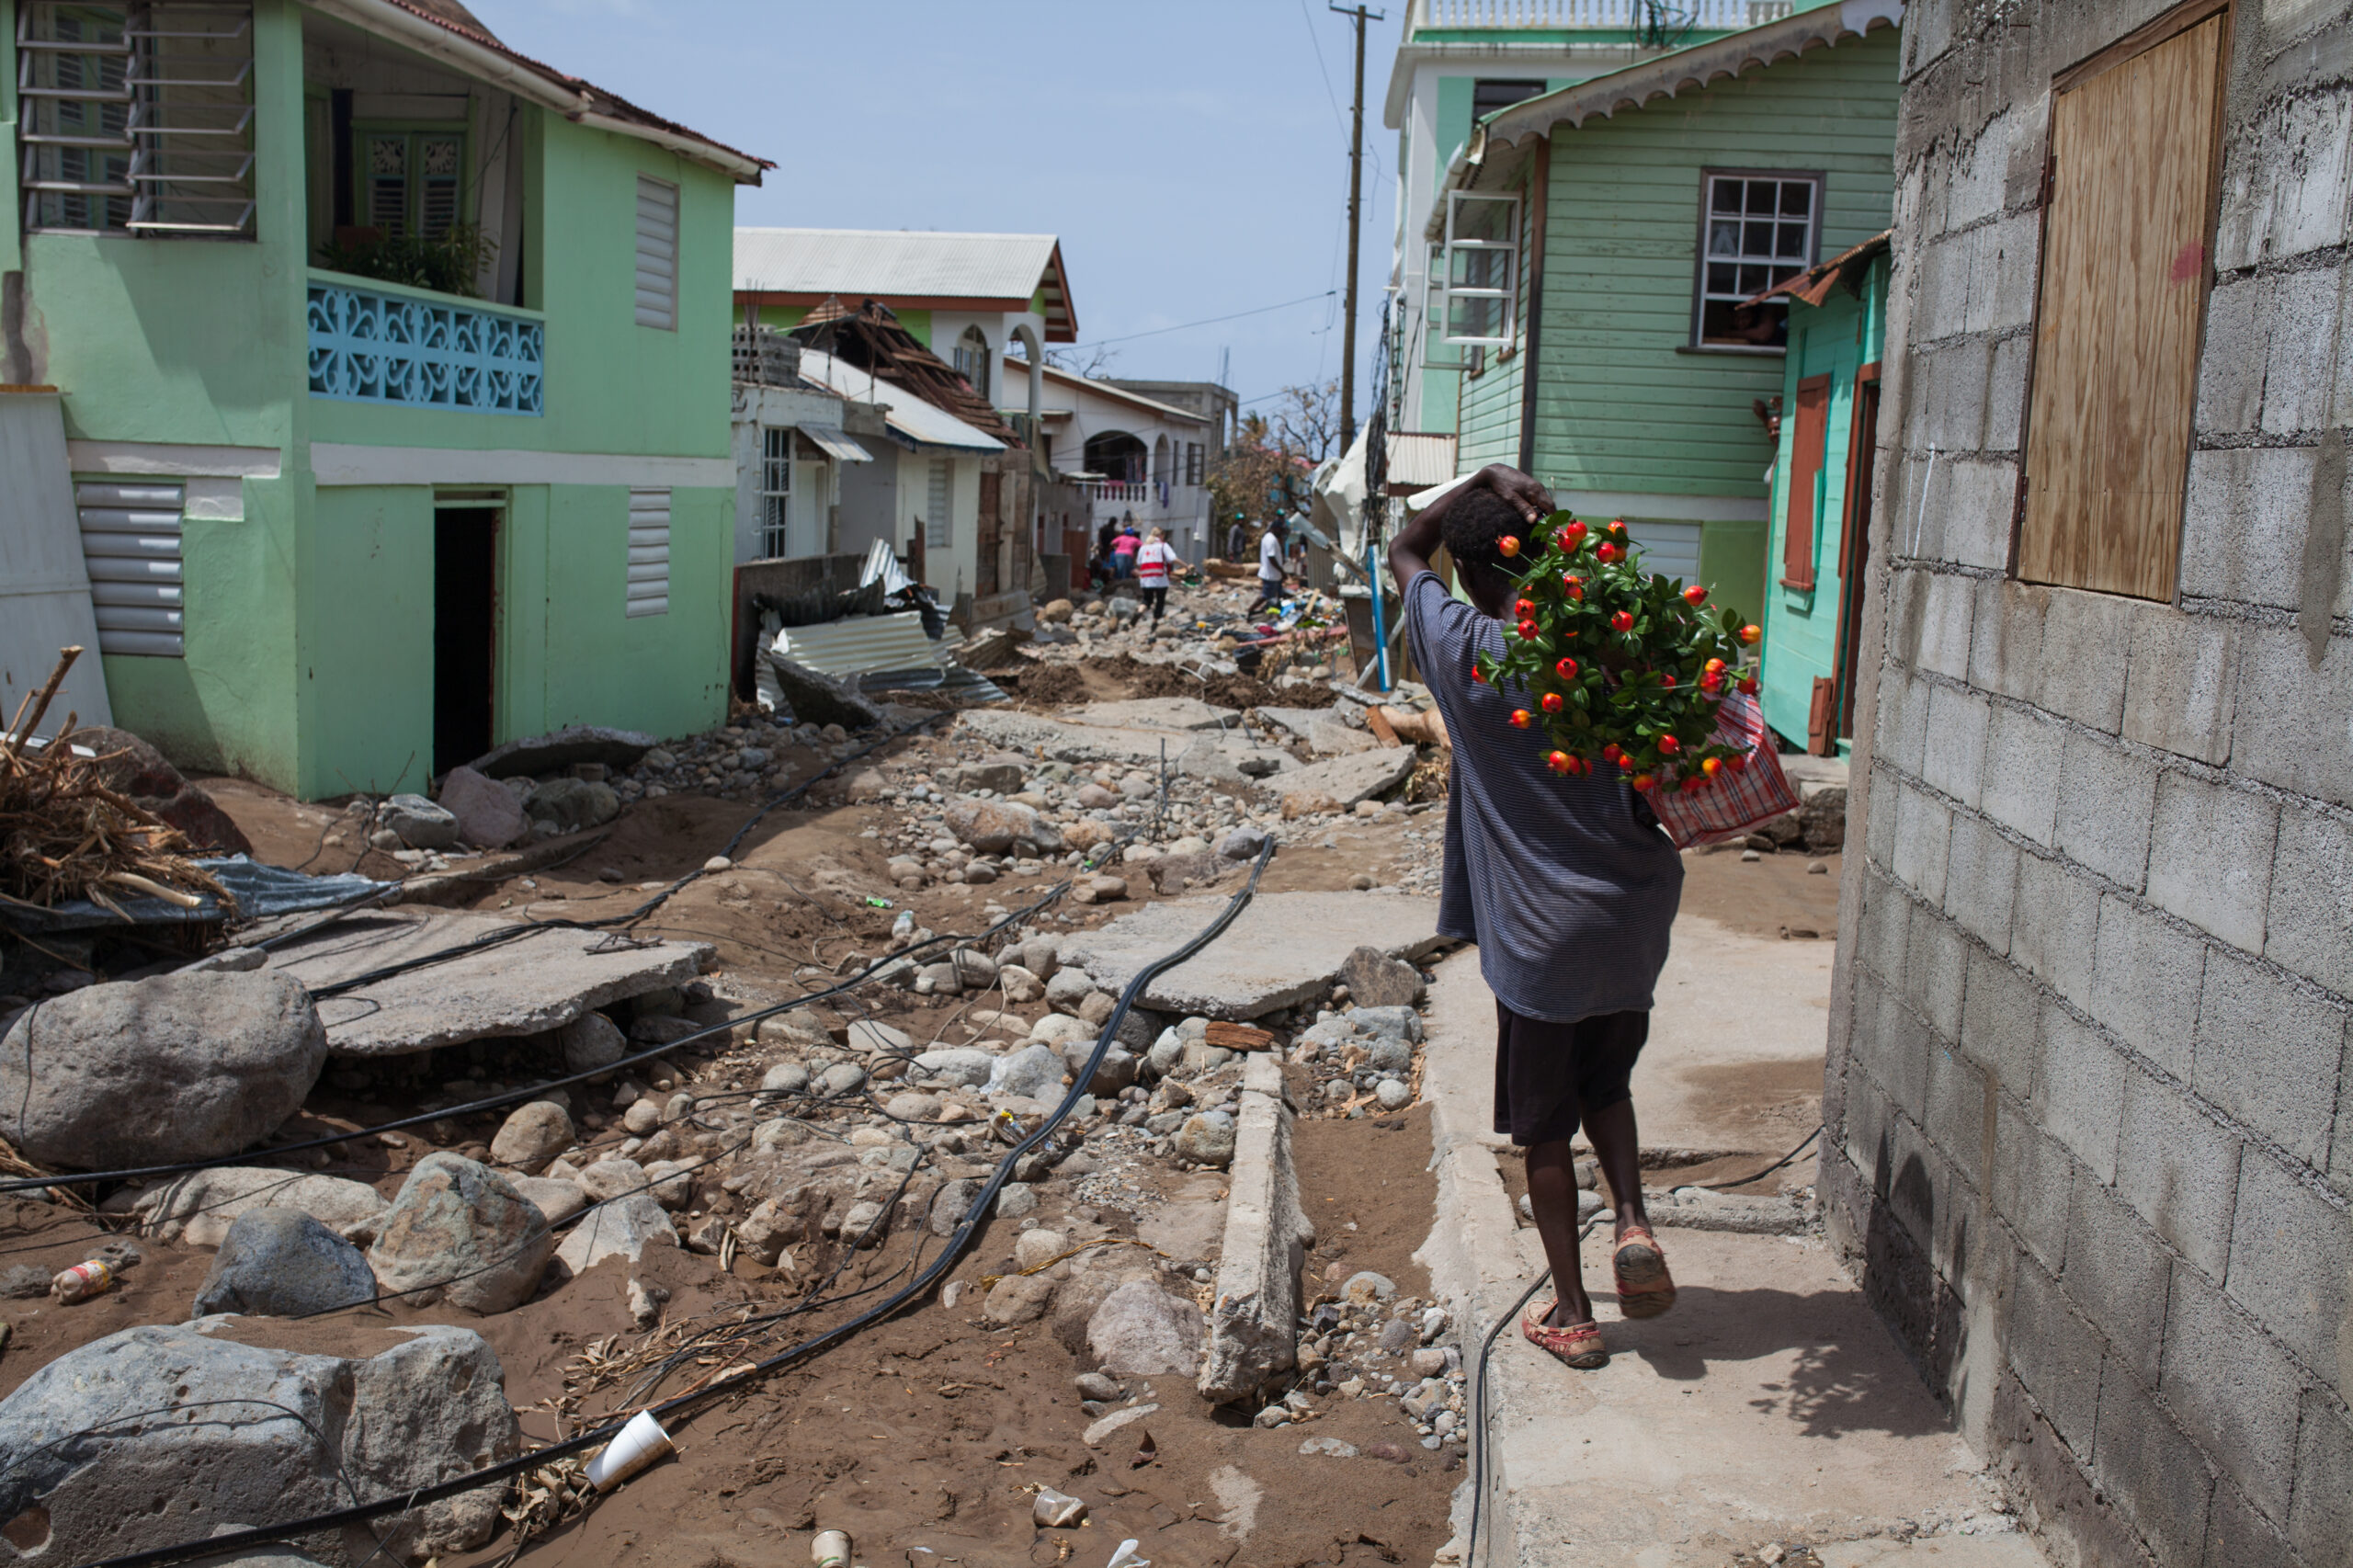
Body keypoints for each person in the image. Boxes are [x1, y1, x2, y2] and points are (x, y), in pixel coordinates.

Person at [1388, 464, 1684, 1370]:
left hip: (1540, 934)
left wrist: (1477, 478)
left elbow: (1403, 547)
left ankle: (1571, 1308)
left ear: (1477, 572)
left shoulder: (1469, 648)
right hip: (1632, 911)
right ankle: (1632, 1219)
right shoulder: (1608, 643)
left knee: (1542, 1123)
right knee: (1608, 1079)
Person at [1133, 526, 1180, 625]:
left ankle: (1139, 612)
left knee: (1147, 599)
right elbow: (1172, 559)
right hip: (1160, 578)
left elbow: (1138, 562)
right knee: (1160, 600)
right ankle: (1155, 621)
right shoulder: (1163, 545)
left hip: (1146, 578)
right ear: (1161, 535)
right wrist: (1186, 566)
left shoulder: (1143, 547)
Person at [1248, 520, 1288, 613]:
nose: (1281, 532)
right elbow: (1271, 557)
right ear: (1275, 529)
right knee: (1265, 596)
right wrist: (1282, 571)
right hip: (1271, 574)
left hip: (1274, 574)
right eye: (1280, 530)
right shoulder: (1271, 539)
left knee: (1277, 594)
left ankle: (1273, 611)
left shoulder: (1270, 538)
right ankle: (1250, 610)